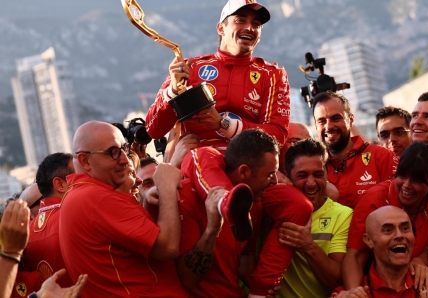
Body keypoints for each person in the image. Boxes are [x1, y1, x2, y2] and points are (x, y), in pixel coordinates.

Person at [177, 128, 313, 298]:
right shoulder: (187, 196)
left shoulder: (253, 203)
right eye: (270, 174)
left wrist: (261, 288)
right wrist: (212, 229)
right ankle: (224, 204)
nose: (275, 180)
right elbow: (188, 280)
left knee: (300, 206)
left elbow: (244, 262)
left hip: (237, 294)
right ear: (244, 172)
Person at [59, 121, 187, 297]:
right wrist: (166, 187)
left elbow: (130, 248)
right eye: (113, 152)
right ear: (85, 160)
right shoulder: (97, 199)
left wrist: (148, 206)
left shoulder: (80, 195)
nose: (125, 160)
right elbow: (168, 247)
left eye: (124, 149)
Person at [145, 0, 290, 148]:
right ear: (221, 28)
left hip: (249, 161)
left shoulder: (272, 75)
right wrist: (173, 91)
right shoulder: (190, 68)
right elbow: (153, 130)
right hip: (199, 158)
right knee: (205, 156)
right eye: (240, 20)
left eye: (256, 24)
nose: (249, 28)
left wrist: (223, 125)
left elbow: (278, 135)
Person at [342, 142, 428, 291]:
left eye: (417, 181)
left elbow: (427, 248)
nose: (406, 185)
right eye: (402, 175)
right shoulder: (373, 199)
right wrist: (354, 293)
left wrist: (419, 261)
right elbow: (355, 256)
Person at [276, 139, 353, 297]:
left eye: (318, 174)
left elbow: (337, 281)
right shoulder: (272, 210)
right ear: (287, 176)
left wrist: (308, 246)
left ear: (326, 174)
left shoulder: (343, 215)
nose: (311, 183)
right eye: (302, 175)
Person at [336, 206, 428, 298]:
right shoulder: (349, 295)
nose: (399, 235)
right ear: (369, 241)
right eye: (388, 230)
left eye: (405, 228)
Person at [312, 91, 398, 209]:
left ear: (351, 120)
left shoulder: (382, 157)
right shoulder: (313, 166)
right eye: (321, 121)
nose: (329, 126)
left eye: (336, 118)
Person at [24, 153, 75, 288]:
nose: (86, 180)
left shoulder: (25, 234)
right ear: (59, 184)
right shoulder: (76, 218)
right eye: (79, 176)